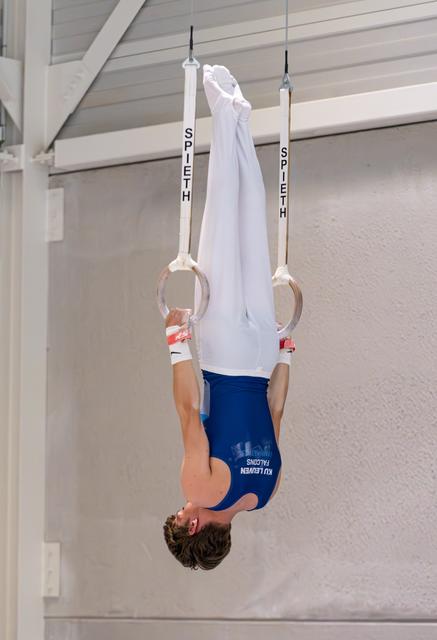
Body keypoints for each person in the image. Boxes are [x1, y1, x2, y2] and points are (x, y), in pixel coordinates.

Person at [162, 65, 295, 570]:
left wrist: (286, 356)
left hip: (262, 354)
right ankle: (221, 108)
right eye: (181, 516)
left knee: (251, 233)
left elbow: (277, 411)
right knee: (218, 227)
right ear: (193, 526)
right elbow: (187, 412)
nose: (183, 506)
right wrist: (178, 343)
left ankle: (240, 120)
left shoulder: (266, 491)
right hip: (224, 355)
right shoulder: (202, 487)